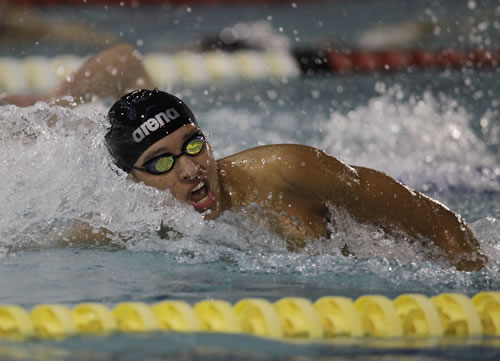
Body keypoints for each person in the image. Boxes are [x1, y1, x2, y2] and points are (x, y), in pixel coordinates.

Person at [1, 44, 487, 272]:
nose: (191, 168)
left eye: (194, 144)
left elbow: (443, 226)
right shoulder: (137, 223)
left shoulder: (289, 172)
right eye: (163, 162)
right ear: (132, 181)